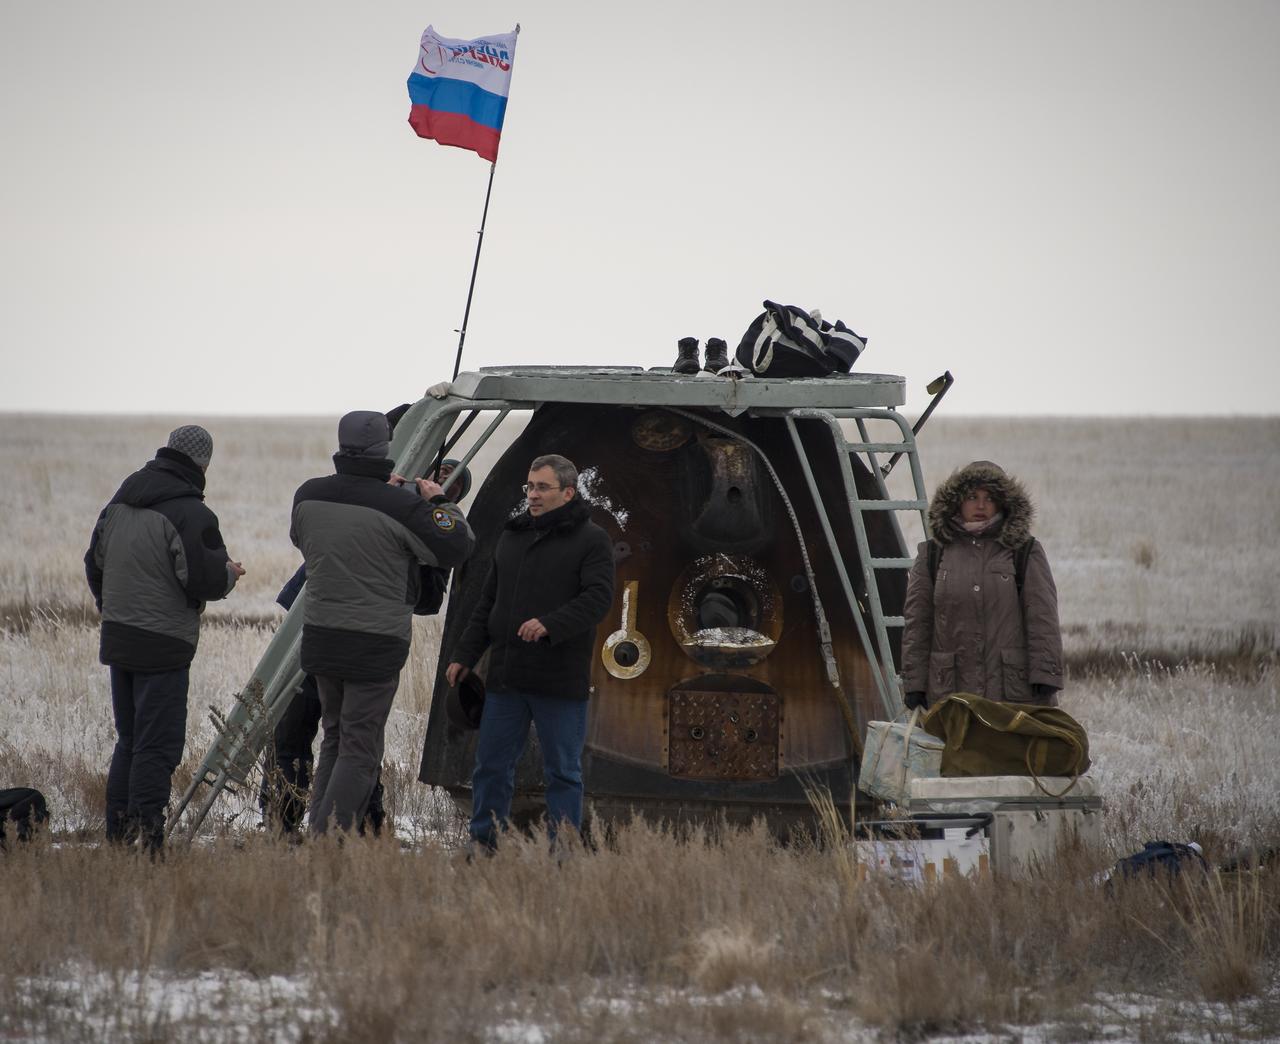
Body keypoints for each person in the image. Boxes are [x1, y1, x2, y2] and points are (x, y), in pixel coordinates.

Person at [260, 456, 473, 836]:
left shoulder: (413, 525)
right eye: (435, 477)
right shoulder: (380, 506)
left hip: (331, 637)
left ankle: (334, 830)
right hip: (336, 635)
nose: (432, 486)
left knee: (341, 739)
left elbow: (428, 598)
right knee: (304, 734)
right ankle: (288, 824)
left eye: (447, 488)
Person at [85, 425, 245, 852]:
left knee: (130, 740)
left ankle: (118, 838)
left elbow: (93, 564)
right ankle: (150, 842)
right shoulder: (191, 513)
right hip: (164, 644)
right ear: (203, 464)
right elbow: (204, 580)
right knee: (158, 746)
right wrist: (229, 573)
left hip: (119, 637)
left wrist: (112, 608)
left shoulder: (119, 501)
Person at [446, 453, 616, 851]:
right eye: (530, 487)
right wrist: (464, 655)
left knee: (564, 772)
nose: (533, 495)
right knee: (491, 766)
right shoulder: (513, 536)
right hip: (507, 676)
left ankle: (563, 849)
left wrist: (551, 624)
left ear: (568, 492)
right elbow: (488, 603)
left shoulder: (592, 540)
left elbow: (598, 598)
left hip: (559, 679)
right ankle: (483, 844)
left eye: (542, 487)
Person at [901, 460, 1063, 711]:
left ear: (1003, 502)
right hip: (950, 692)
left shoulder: (1024, 551)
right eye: (972, 496)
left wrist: (1046, 674)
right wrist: (914, 683)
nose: (980, 505)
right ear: (956, 501)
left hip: (1012, 694)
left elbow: (1042, 617)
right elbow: (918, 623)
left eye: (990, 498)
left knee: (1010, 751)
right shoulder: (933, 554)